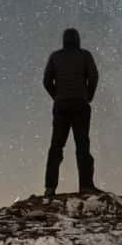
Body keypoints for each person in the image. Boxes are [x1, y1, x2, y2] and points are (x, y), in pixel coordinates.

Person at [43, 28, 101, 197]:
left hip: (61, 105)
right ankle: (85, 186)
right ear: (77, 39)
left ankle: (50, 188)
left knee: (56, 146)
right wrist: (88, 95)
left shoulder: (55, 56)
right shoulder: (85, 55)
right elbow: (94, 76)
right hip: (80, 105)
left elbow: (46, 81)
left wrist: (57, 96)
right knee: (82, 145)